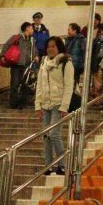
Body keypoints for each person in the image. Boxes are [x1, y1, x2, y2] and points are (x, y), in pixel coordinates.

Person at [35, 37, 75, 176]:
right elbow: (39, 85)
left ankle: (62, 164)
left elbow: (69, 86)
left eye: (53, 46)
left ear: (59, 48)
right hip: (45, 104)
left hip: (58, 104)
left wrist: (64, 106)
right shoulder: (44, 63)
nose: (50, 49)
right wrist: (37, 105)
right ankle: (48, 165)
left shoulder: (65, 63)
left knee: (54, 134)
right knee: (46, 136)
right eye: (48, 46)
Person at [1, 22, 36, 109]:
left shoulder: (32, 40)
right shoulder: (16, 38)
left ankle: (22, 103)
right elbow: (6, 46)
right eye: (31, 28)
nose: (33, 30)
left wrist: (36, 57)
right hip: (16, 64)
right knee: (15, 84)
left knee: (25, 84)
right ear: (27, 28)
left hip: (27, 65)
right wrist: (2, 56)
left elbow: (34, 50)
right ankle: (13, 103)